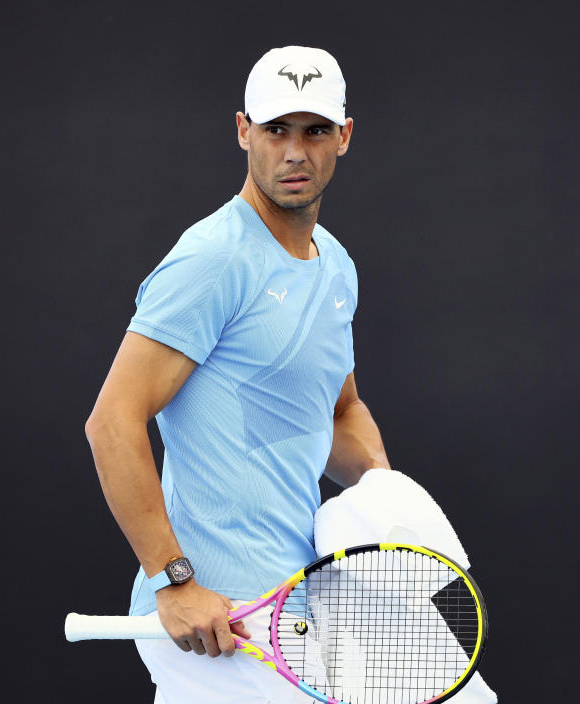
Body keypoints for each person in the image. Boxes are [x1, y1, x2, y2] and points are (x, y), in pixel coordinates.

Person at [84, 46, 391, 702]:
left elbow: (336, 413)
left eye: (313, 131)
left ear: (344, 136)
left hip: (290, 609)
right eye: (276, 129)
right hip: (216, 621)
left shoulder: (335, 267)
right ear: (243, 130)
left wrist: (387, 499)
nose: (294, 151)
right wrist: (174, 583)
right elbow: (111, 422)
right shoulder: (212, 260)